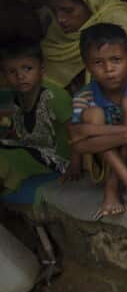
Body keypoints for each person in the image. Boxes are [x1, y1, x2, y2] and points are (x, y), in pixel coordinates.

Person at [67, 23, 127, 219]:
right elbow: (79, 140)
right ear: (87, 66)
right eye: (98, 63)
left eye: (116, 60)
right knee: (92, 116)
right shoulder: (83, 96)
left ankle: (113, 188)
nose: (109, 69)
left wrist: (90, 132)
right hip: (103, 163)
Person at [0, 41, 74, 193]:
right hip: (31, 148)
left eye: (27, 68)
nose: (20, 76)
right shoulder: (15, 95)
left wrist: (76, 166)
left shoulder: (54, 97)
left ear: (41, 70)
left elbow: (77, 132)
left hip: (56, 158)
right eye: (12, 72)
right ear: (4, 76)